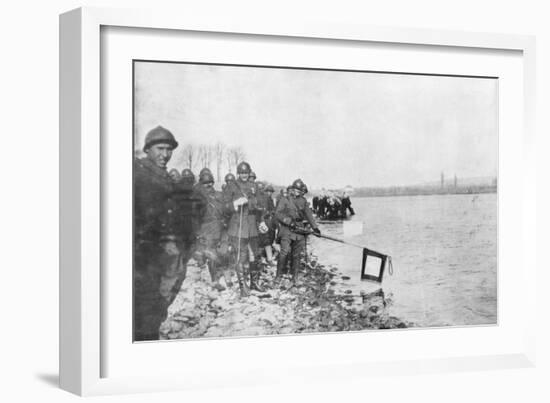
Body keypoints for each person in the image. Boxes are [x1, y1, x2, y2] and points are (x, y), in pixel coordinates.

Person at [134, 125, 191, 341]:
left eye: (169, 149)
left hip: (164, 256)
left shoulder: (165, 178)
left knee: (156, 308)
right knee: (143, 311)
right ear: (147, 149)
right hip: (142, 258)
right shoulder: (137, 174)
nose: (165, 155)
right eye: (160, 148)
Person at [225, 161, 265, 296]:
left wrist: (262, 221)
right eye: (241, 173)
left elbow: (260, 204)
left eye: (246, 173)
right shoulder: (232, 186)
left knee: (255, 255)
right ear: (238, 173)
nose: (244, 175)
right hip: (238, 225)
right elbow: (224, 206)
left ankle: (254, 283)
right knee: (240, 256)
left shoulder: (254, 186)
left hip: (252, 224)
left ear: (249, 173)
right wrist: (235, 204)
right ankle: (243, 286)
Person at [274, 179, 321, 284]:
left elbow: (309, 215)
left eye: (299, 191)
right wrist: (288, 221)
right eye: (295, 190)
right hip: (286, 230)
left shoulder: (303, 201)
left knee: (297, 255)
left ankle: (295, 278)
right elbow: (278, 214)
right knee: (284, 253)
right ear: (292, 189)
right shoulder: (284, 199)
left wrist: (315, 228)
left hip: (299, 230)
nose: (296, 192)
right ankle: (278, 276)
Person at [194, 170, 234, 291]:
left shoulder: (219, 195)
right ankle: (215, 280)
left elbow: (227, 210)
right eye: (205, 183)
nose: (208, 185)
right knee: (211, 254)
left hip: (221, 227)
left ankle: (227, 276)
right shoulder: (197, 198)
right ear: (201, 183)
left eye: (210, 182)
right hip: (207, 229)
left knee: (225, 252)